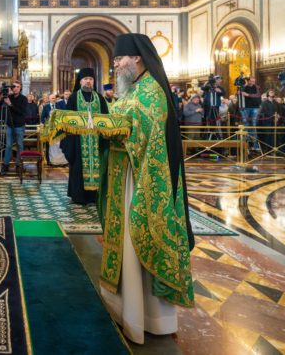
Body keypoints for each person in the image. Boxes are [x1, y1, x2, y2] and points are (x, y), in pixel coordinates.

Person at [100, 33, 194, 344]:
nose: (116, 64)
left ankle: (146, 317)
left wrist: (111, 128)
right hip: (124, 173)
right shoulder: (132, 89)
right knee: (125, 240)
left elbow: (145, 132)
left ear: (137, 57)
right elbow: (121, 121)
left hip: (141, 178)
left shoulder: (152, 90)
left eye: (119, 58)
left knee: (136, 238)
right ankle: (125, 308)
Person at [59, 68, 109, 204]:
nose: (88, 81)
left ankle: (94, 196)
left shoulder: (100, 98)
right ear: (80, 81)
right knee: (78, 168)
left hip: (96, 141)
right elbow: (68, 121)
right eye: (85, 79)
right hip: (78, 141)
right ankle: (79, 196)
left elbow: (106, 119)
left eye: (91, 79)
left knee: (97, 167)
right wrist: (70, 142)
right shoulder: (74, 97)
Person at [0, 81, 27, 175]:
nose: (16, 88)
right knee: (8, 145)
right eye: (14, 86)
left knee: (19, 145)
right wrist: (1, 96)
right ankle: (5, 165)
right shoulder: (9, 97)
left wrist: (10, 104)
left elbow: (21, 111)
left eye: (18, 87)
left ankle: (19, 165)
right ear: (12, 88)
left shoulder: (23, 98)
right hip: (9, 125)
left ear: (20, 88)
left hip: (19, 125)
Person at [241, 76, 262, 150]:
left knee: (254, 125)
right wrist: (240, 92)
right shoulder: (243, 87)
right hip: (245, 108)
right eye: (251, 81)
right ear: (248, 81)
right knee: (246, 125)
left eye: (254, 81)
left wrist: (248, 95)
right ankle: (245, 145)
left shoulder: (257, 87)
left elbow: (258, 95)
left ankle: (255, 145)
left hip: (255, 107)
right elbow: (239, 95)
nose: (253, 82)